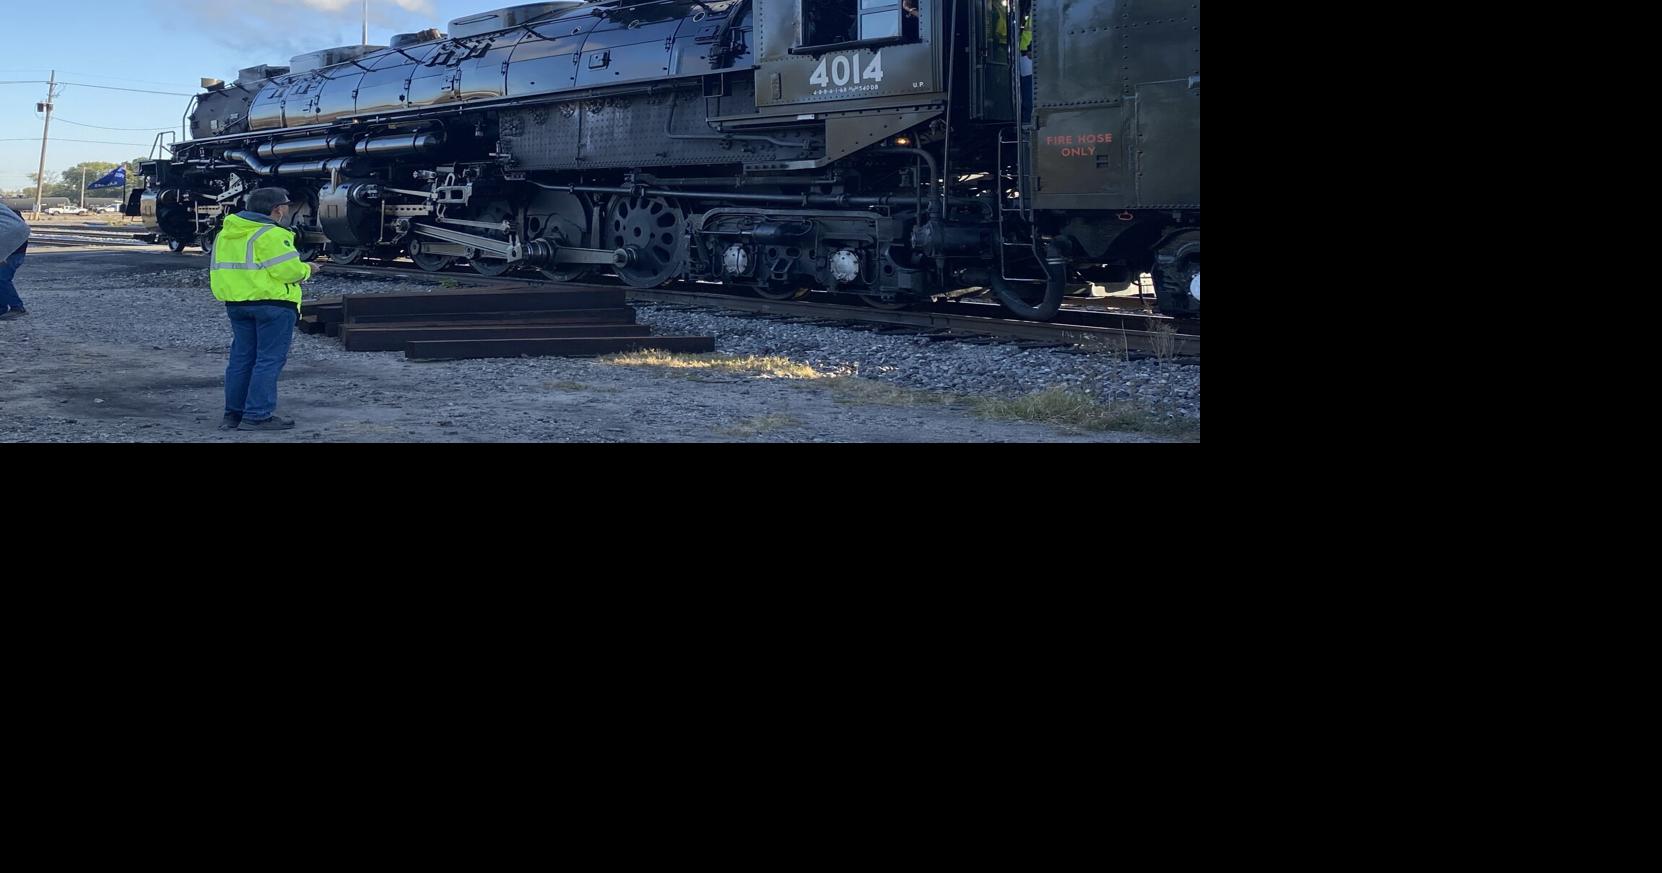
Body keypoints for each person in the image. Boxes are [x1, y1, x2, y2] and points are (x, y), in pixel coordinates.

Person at [211, 187, 314, 431]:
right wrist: (308, 269)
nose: (287, 210)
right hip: (273, 305)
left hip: (237, 304)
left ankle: (233, 415)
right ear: (277, 209)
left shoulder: (225, 234)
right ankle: (257, 415)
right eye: (286, 206)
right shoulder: (272, 234)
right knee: (268, 360)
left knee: (241, 360)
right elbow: (288, 272)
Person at [0, 201, 30, 320]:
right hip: (15, 246)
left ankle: (17, 308)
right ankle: (2, 308)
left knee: (1, 278)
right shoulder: (10, 215)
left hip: (13, 250)